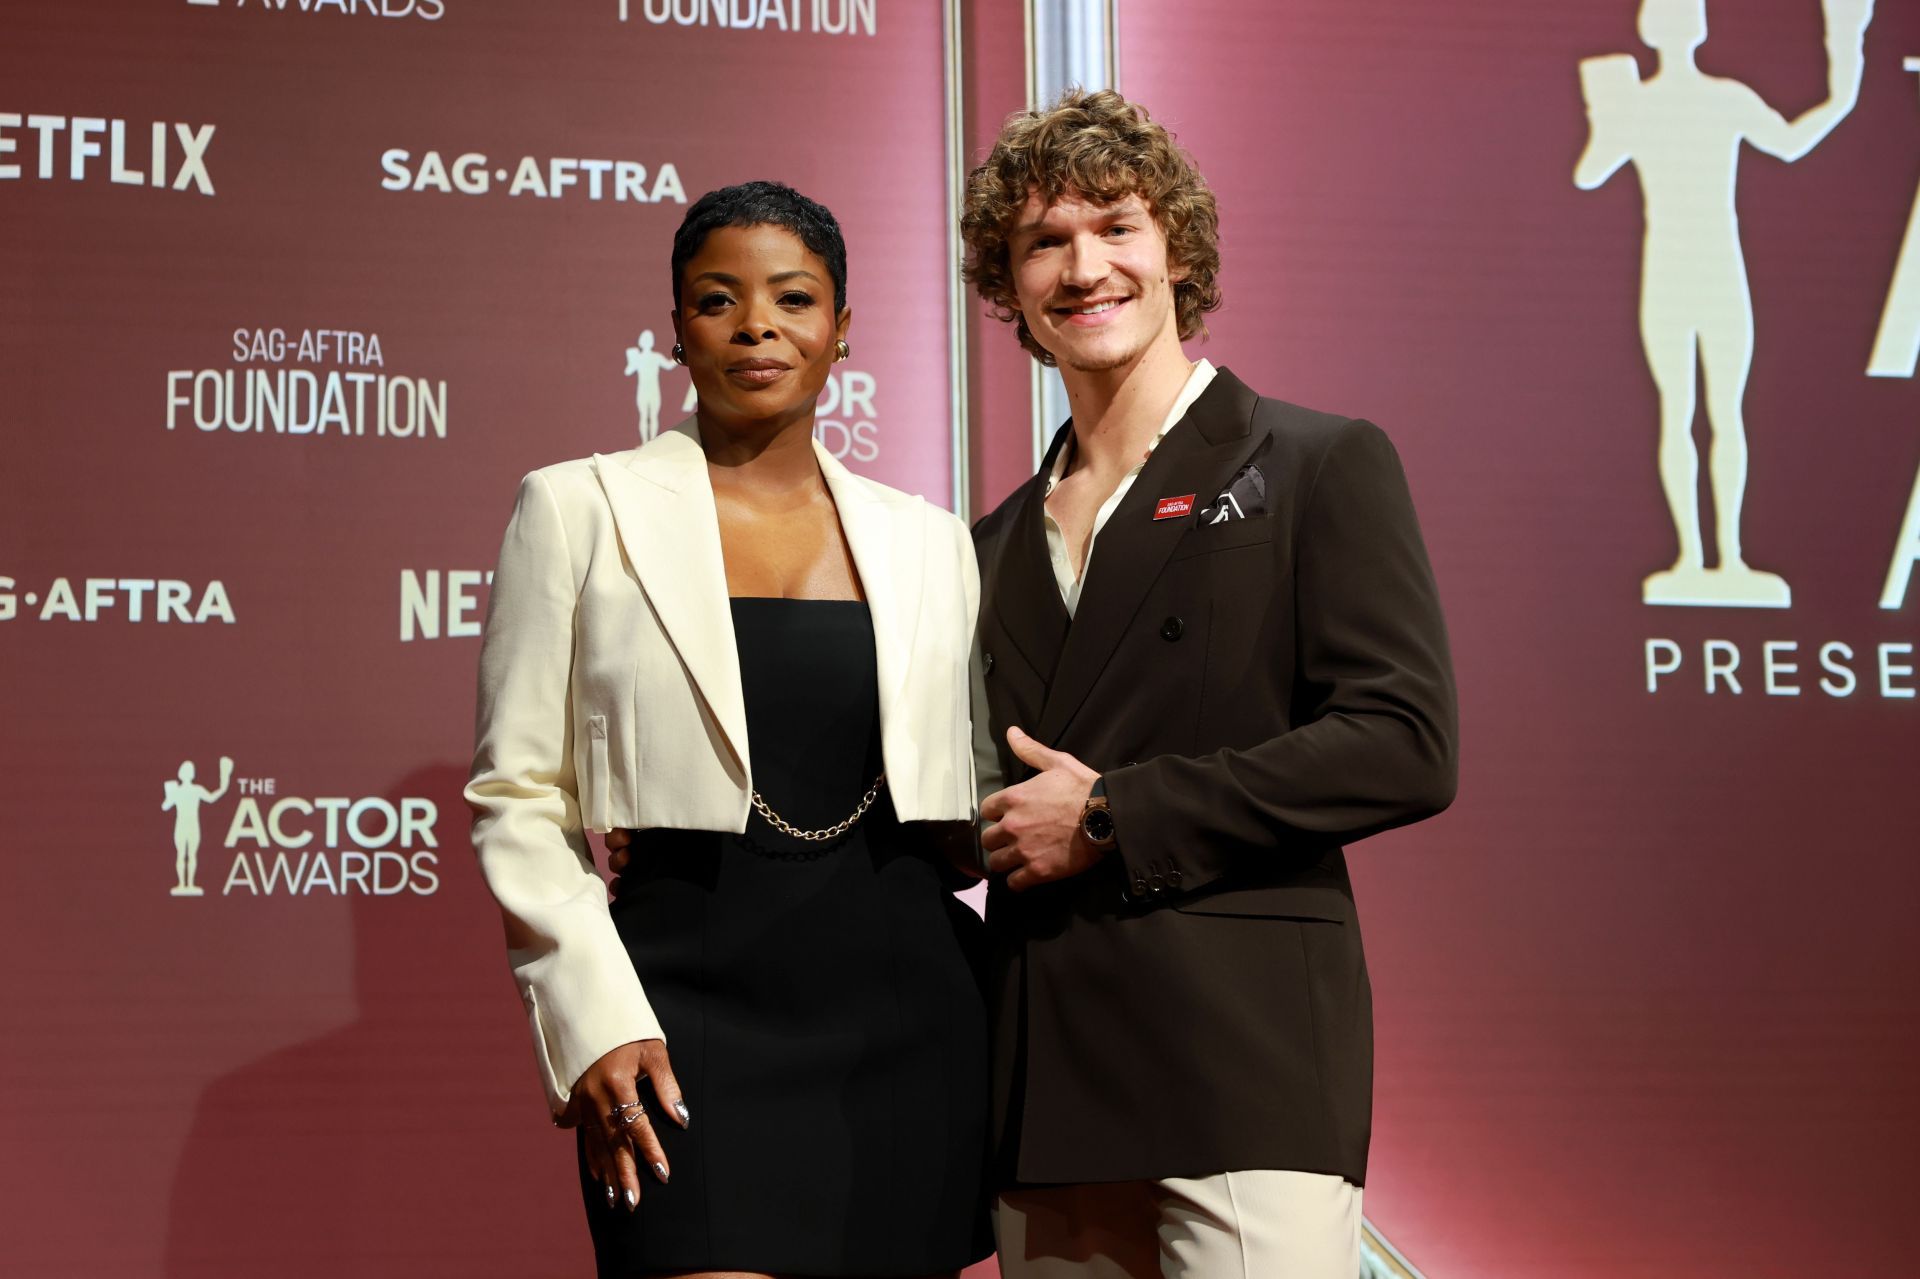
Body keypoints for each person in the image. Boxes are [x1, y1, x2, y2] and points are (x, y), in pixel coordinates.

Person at [959, 90, 1459, 1277]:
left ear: (1177, 250)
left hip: (1246, 1055)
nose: (1086, 267)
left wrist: (1110, 813)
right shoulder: (984, 546)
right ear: (1010, 288)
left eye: (1115, 227)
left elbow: (1403, 740)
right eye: (1045, 242)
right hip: (1049, 1072)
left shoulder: (1315, 461)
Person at [467, 181, 992, 1279]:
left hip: (905, 1023)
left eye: (793, 298)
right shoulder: (577, 508)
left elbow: (963, 788)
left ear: (842, 328)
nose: (757, 325)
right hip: (680, 1015)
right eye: (719, 299)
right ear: (677, 330)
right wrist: (591, 1014)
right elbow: (518, 796)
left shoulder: (930, 539)